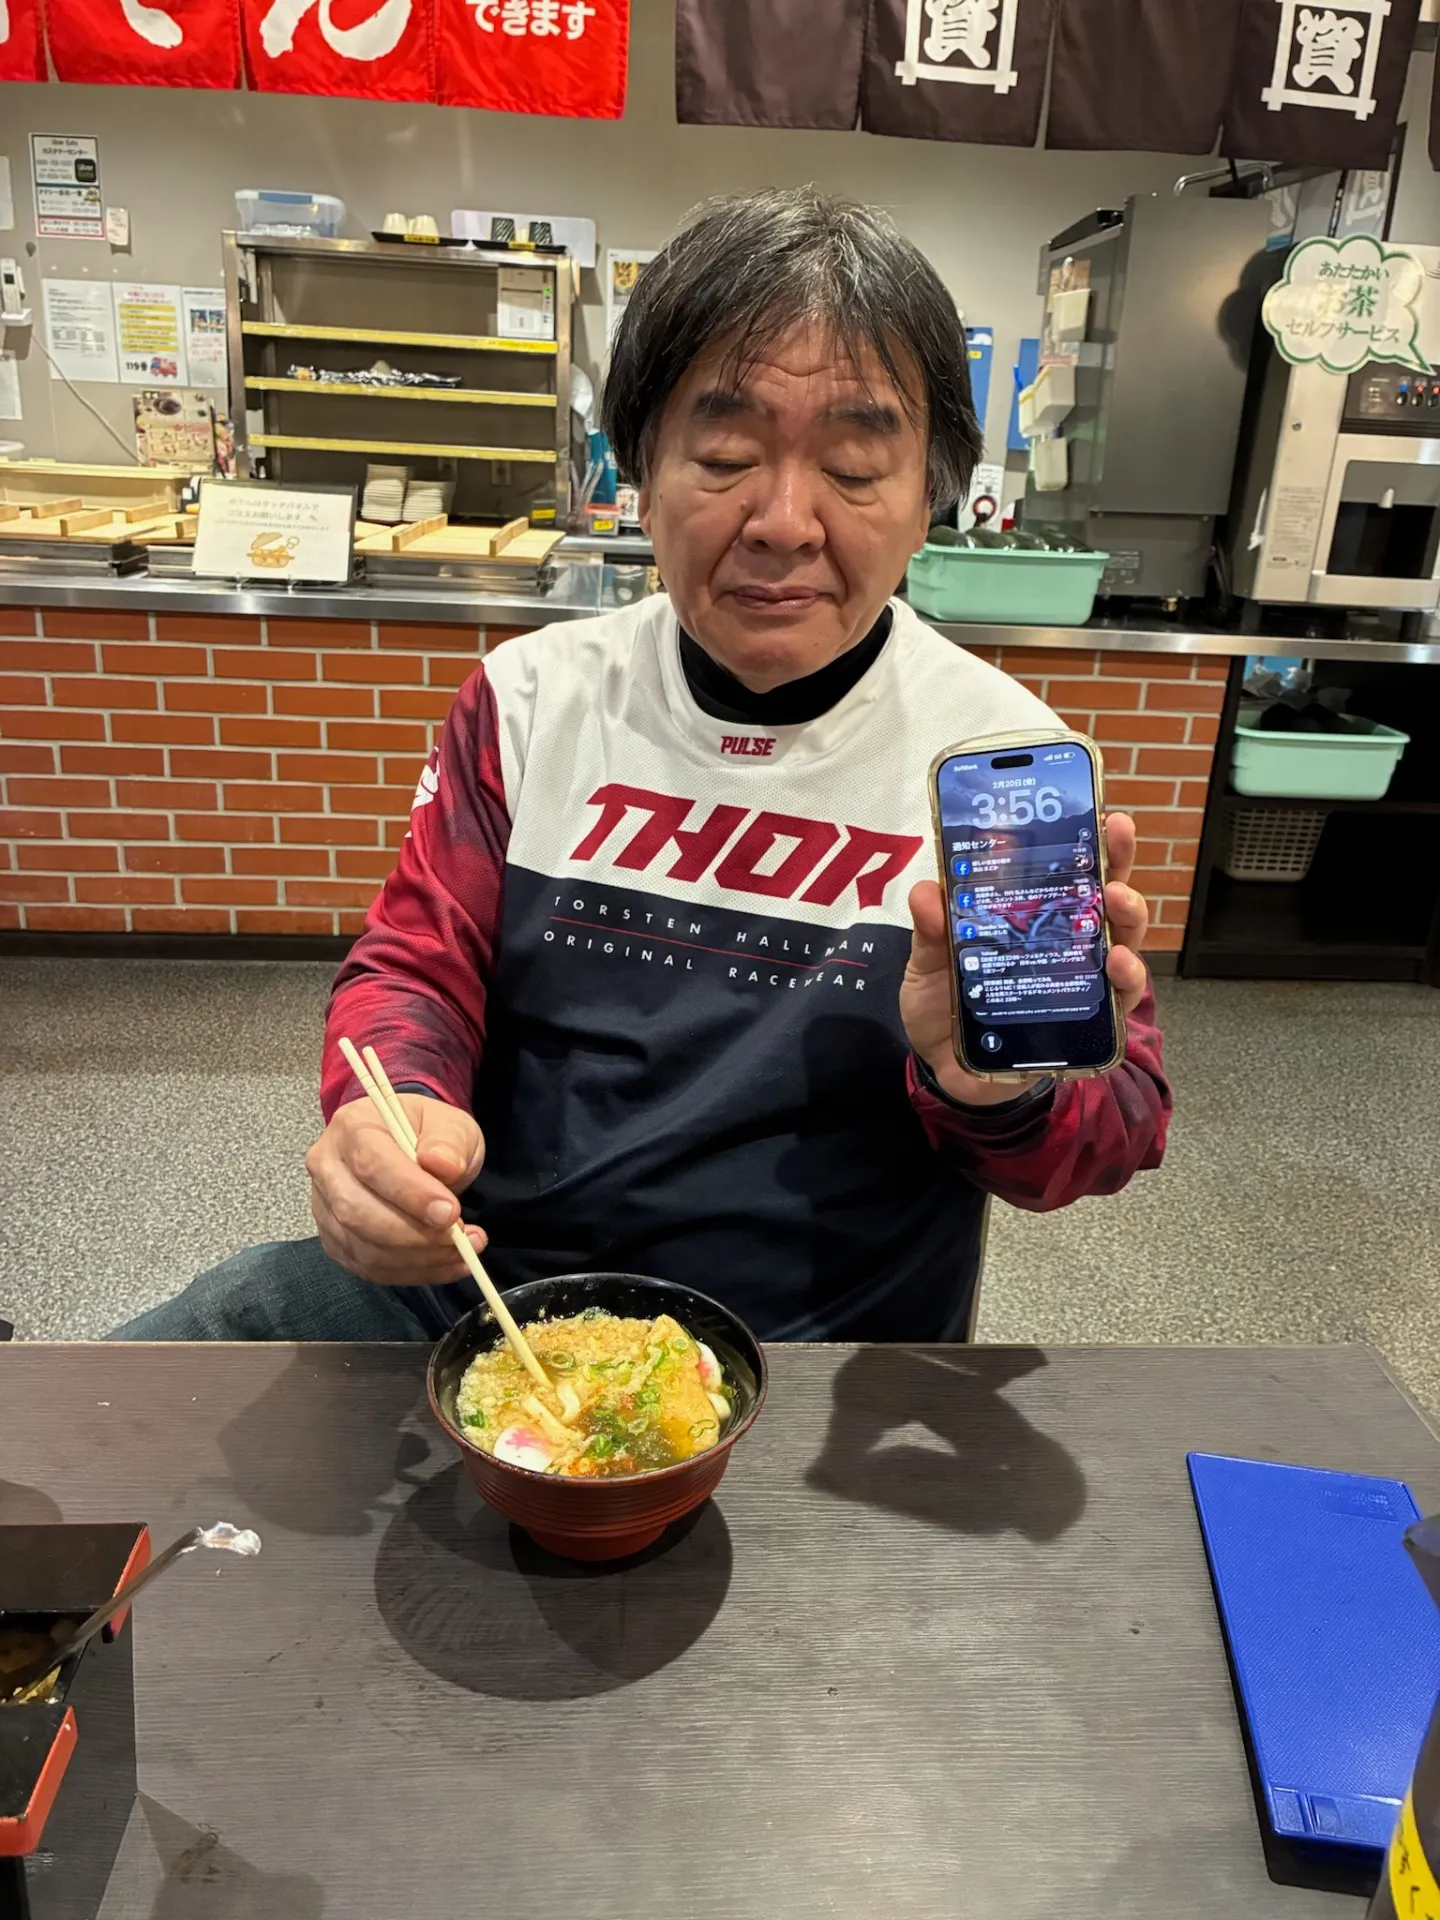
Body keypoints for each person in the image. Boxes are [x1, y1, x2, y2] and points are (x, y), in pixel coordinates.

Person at [117, 188, 1170, 1345]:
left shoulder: (999, 763)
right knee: (135, 1385)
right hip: (495, 1306)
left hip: (813, 1354)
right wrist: (395, 1115)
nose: (783, 519)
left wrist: (990, 1083)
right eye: (724, 455)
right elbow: (415, 966)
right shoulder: (530, 699)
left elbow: (1112, 1131)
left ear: (930, 499)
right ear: (639, 472)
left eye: (855, 468)